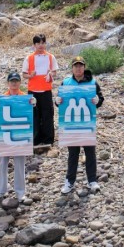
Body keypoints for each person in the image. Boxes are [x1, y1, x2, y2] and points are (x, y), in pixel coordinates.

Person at [56, 56, 103, 194]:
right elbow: (60, 102)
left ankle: (92, 180)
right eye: (75, 66)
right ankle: (70, 181)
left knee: (90, 152)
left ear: (84, 67)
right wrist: (57, 101)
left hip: (87, 123)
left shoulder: (92, 82)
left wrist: (98, 100)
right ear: (72, 68)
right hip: (71, 124)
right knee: (73, 153)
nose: (78, 68)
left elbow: (101, 98)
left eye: (80, 65)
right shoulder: (65, 82)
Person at [0, 72, 33, 204]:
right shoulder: (2, 98)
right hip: (5, 134)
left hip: (20, 134)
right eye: (12, 81)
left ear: (20, 82)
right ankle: (0, 191)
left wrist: (33, 105)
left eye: (16, 81)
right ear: (8, 83)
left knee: (20, 163)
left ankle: (20, 192)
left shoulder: (25, 98)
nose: (14, 83)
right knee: (3, 163)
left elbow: (31, 117)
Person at [22, 34, 57, 153]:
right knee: (34, 116)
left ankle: (48, 139)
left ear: (45, 44)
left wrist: (51, 73)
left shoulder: (51, 57)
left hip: (46, 90)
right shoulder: (29, 58)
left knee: (48, 115)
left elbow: (55, 72)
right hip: (33, 91)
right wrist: (30, 75)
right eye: (38, 43)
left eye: (43, 43)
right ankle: (35, 139)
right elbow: (24, 74)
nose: (41, 45)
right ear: (34, 45)